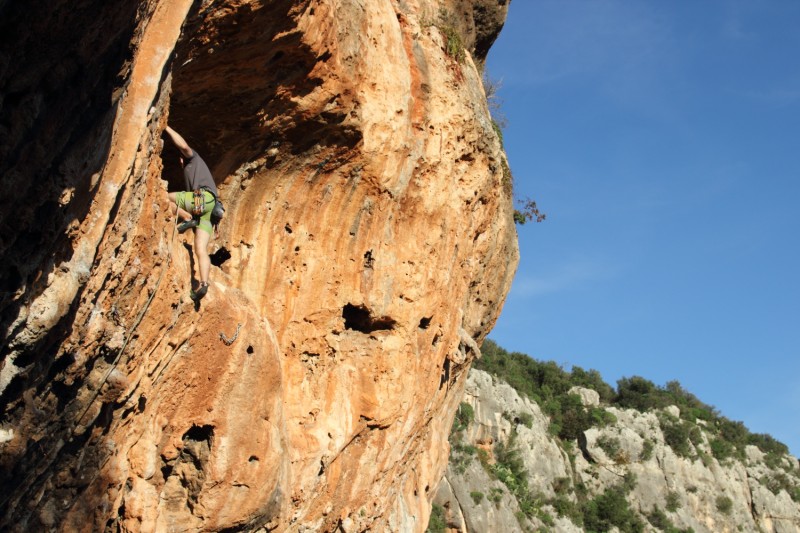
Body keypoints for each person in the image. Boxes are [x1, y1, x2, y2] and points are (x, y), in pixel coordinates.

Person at [163, 125, 219, 301]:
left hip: (202, 199)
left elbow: (185, 147)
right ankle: (203, 284)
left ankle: (186, 217)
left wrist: (166, 127)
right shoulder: (192, 173)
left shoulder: (193, 160)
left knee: (162, 196)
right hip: (208, 212)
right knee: (201, 249)